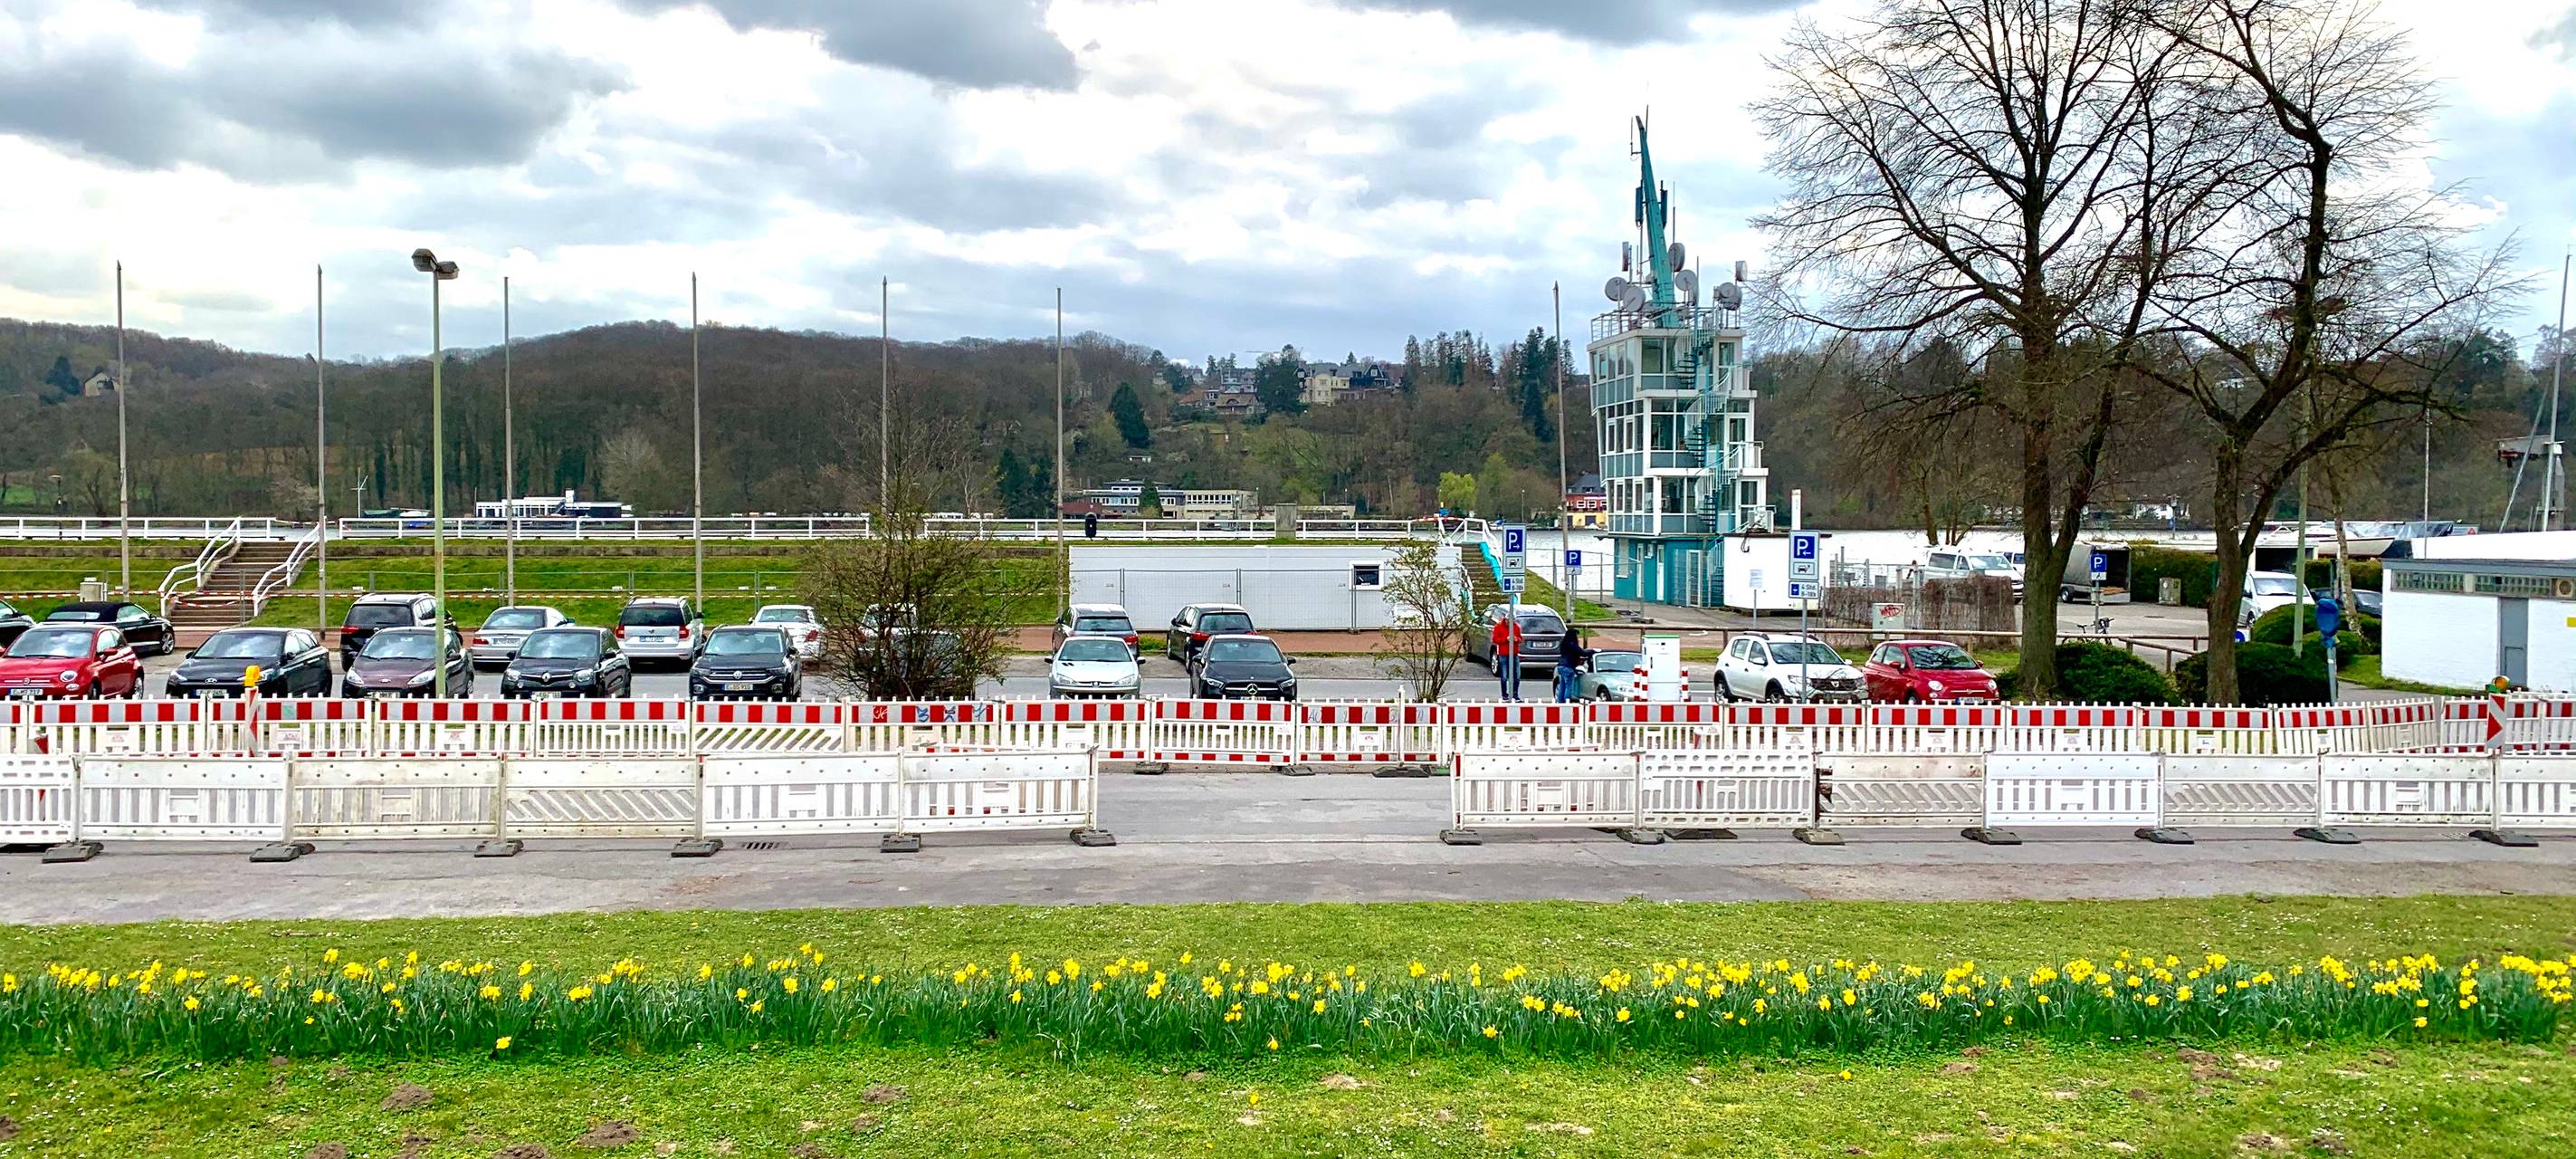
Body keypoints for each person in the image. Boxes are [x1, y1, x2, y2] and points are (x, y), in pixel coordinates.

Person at [1489, 611, 1524, 702]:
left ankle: (1515, 694)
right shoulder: (1498, 626)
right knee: (1504, 676)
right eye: (1508, 621)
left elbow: (1521, 639)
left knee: (1517, 675)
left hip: (1514, 653)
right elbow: (1495, 639)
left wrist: (1516, 639)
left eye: (1512, 622)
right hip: (1503, 654)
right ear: (1506, 619)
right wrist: (1505, 639)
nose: (1510, 623)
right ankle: (1504, 695)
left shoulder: (1516, 627)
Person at [1553, 627, 1593, 703]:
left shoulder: (1564, 644)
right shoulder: (1573, 645)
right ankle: (1567, 702)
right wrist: (1592, 651)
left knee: (1562, 686)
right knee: (1569, 687)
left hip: (1560, 666)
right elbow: (1583, 653)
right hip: (1568, 667)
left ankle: (1560, 702)